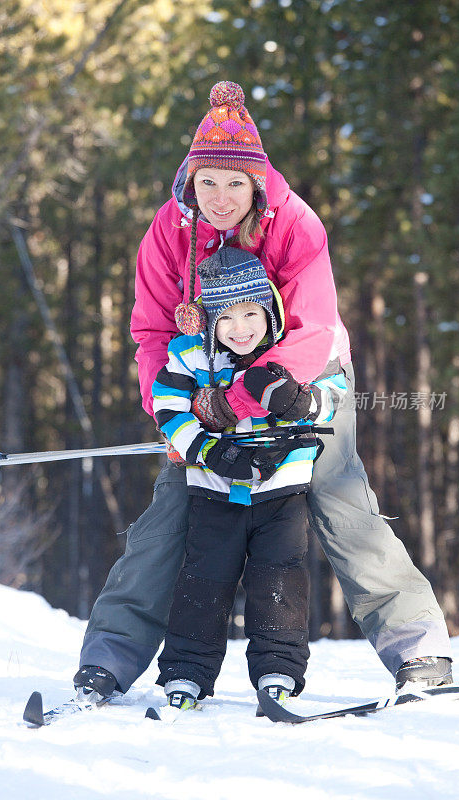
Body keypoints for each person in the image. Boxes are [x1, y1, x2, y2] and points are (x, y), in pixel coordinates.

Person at [73, 81, 452, 702]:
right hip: (203, 385)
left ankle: (415, 643)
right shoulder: (168, 233)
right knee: (175, 506)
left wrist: (253, 403)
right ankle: (110, 657)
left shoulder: (296, 224)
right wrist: (189, 413)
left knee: (333, 491)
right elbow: (151, 333)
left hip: (303, 380)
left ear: (257, 182)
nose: (220, 199)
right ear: (188, 183)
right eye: (207, 184)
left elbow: (313, 326)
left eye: (234, 184)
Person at [153, 245, 345, 709]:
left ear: (269, 311)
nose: (240, 329)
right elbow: (168, 408)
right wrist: (209, 451)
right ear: (210, 321)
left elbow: (333, 392)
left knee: (277, 581)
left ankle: (277, 670)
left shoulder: (291, 352)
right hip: (216, 490)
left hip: (282, 489)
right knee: (204, 579)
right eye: (227, 318)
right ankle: (186, 672)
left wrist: (301, 402)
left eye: (250, 314)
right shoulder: (191, 357)